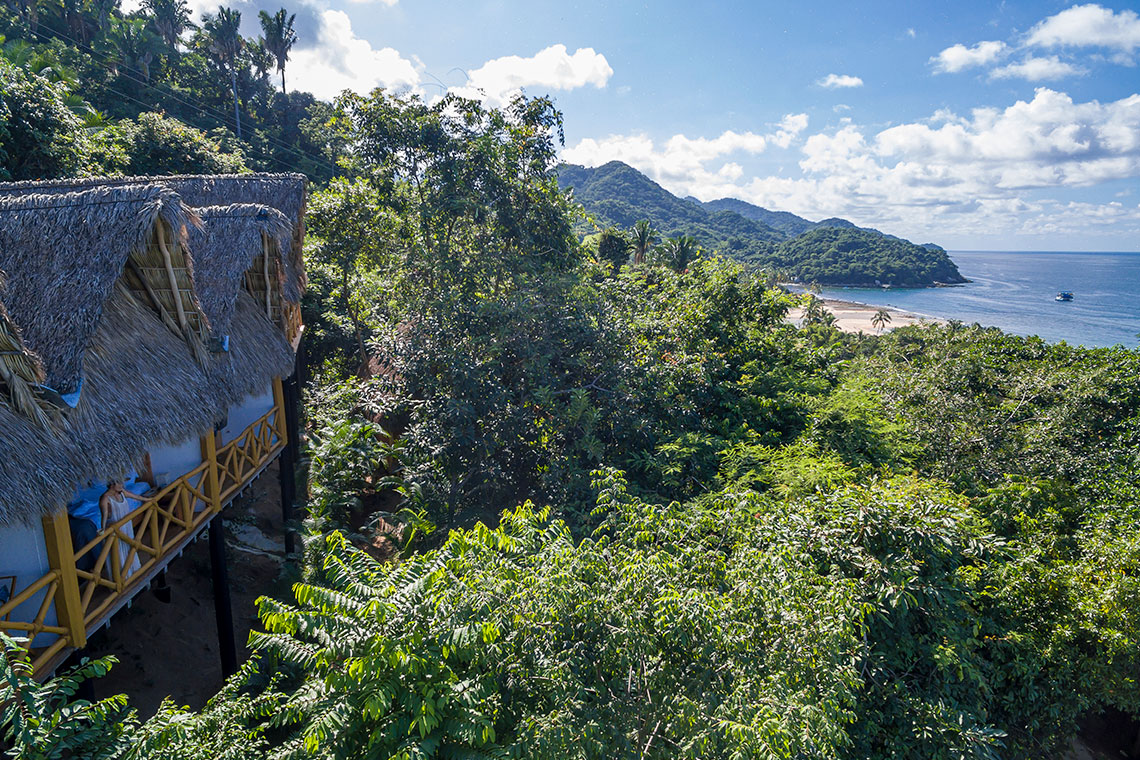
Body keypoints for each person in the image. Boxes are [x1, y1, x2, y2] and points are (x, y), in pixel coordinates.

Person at [99, 480, 150, 581]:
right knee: (119, 550)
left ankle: (133, 570)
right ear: (112, 485)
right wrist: (103, 530)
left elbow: (136, 497)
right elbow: (104, 516)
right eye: (120, 483)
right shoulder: (105, 499)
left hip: (126, 526)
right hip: (116, 528)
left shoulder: (122, 492)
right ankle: (122, 578)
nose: (122, 485)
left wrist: (148, 500)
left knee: (130, 546)